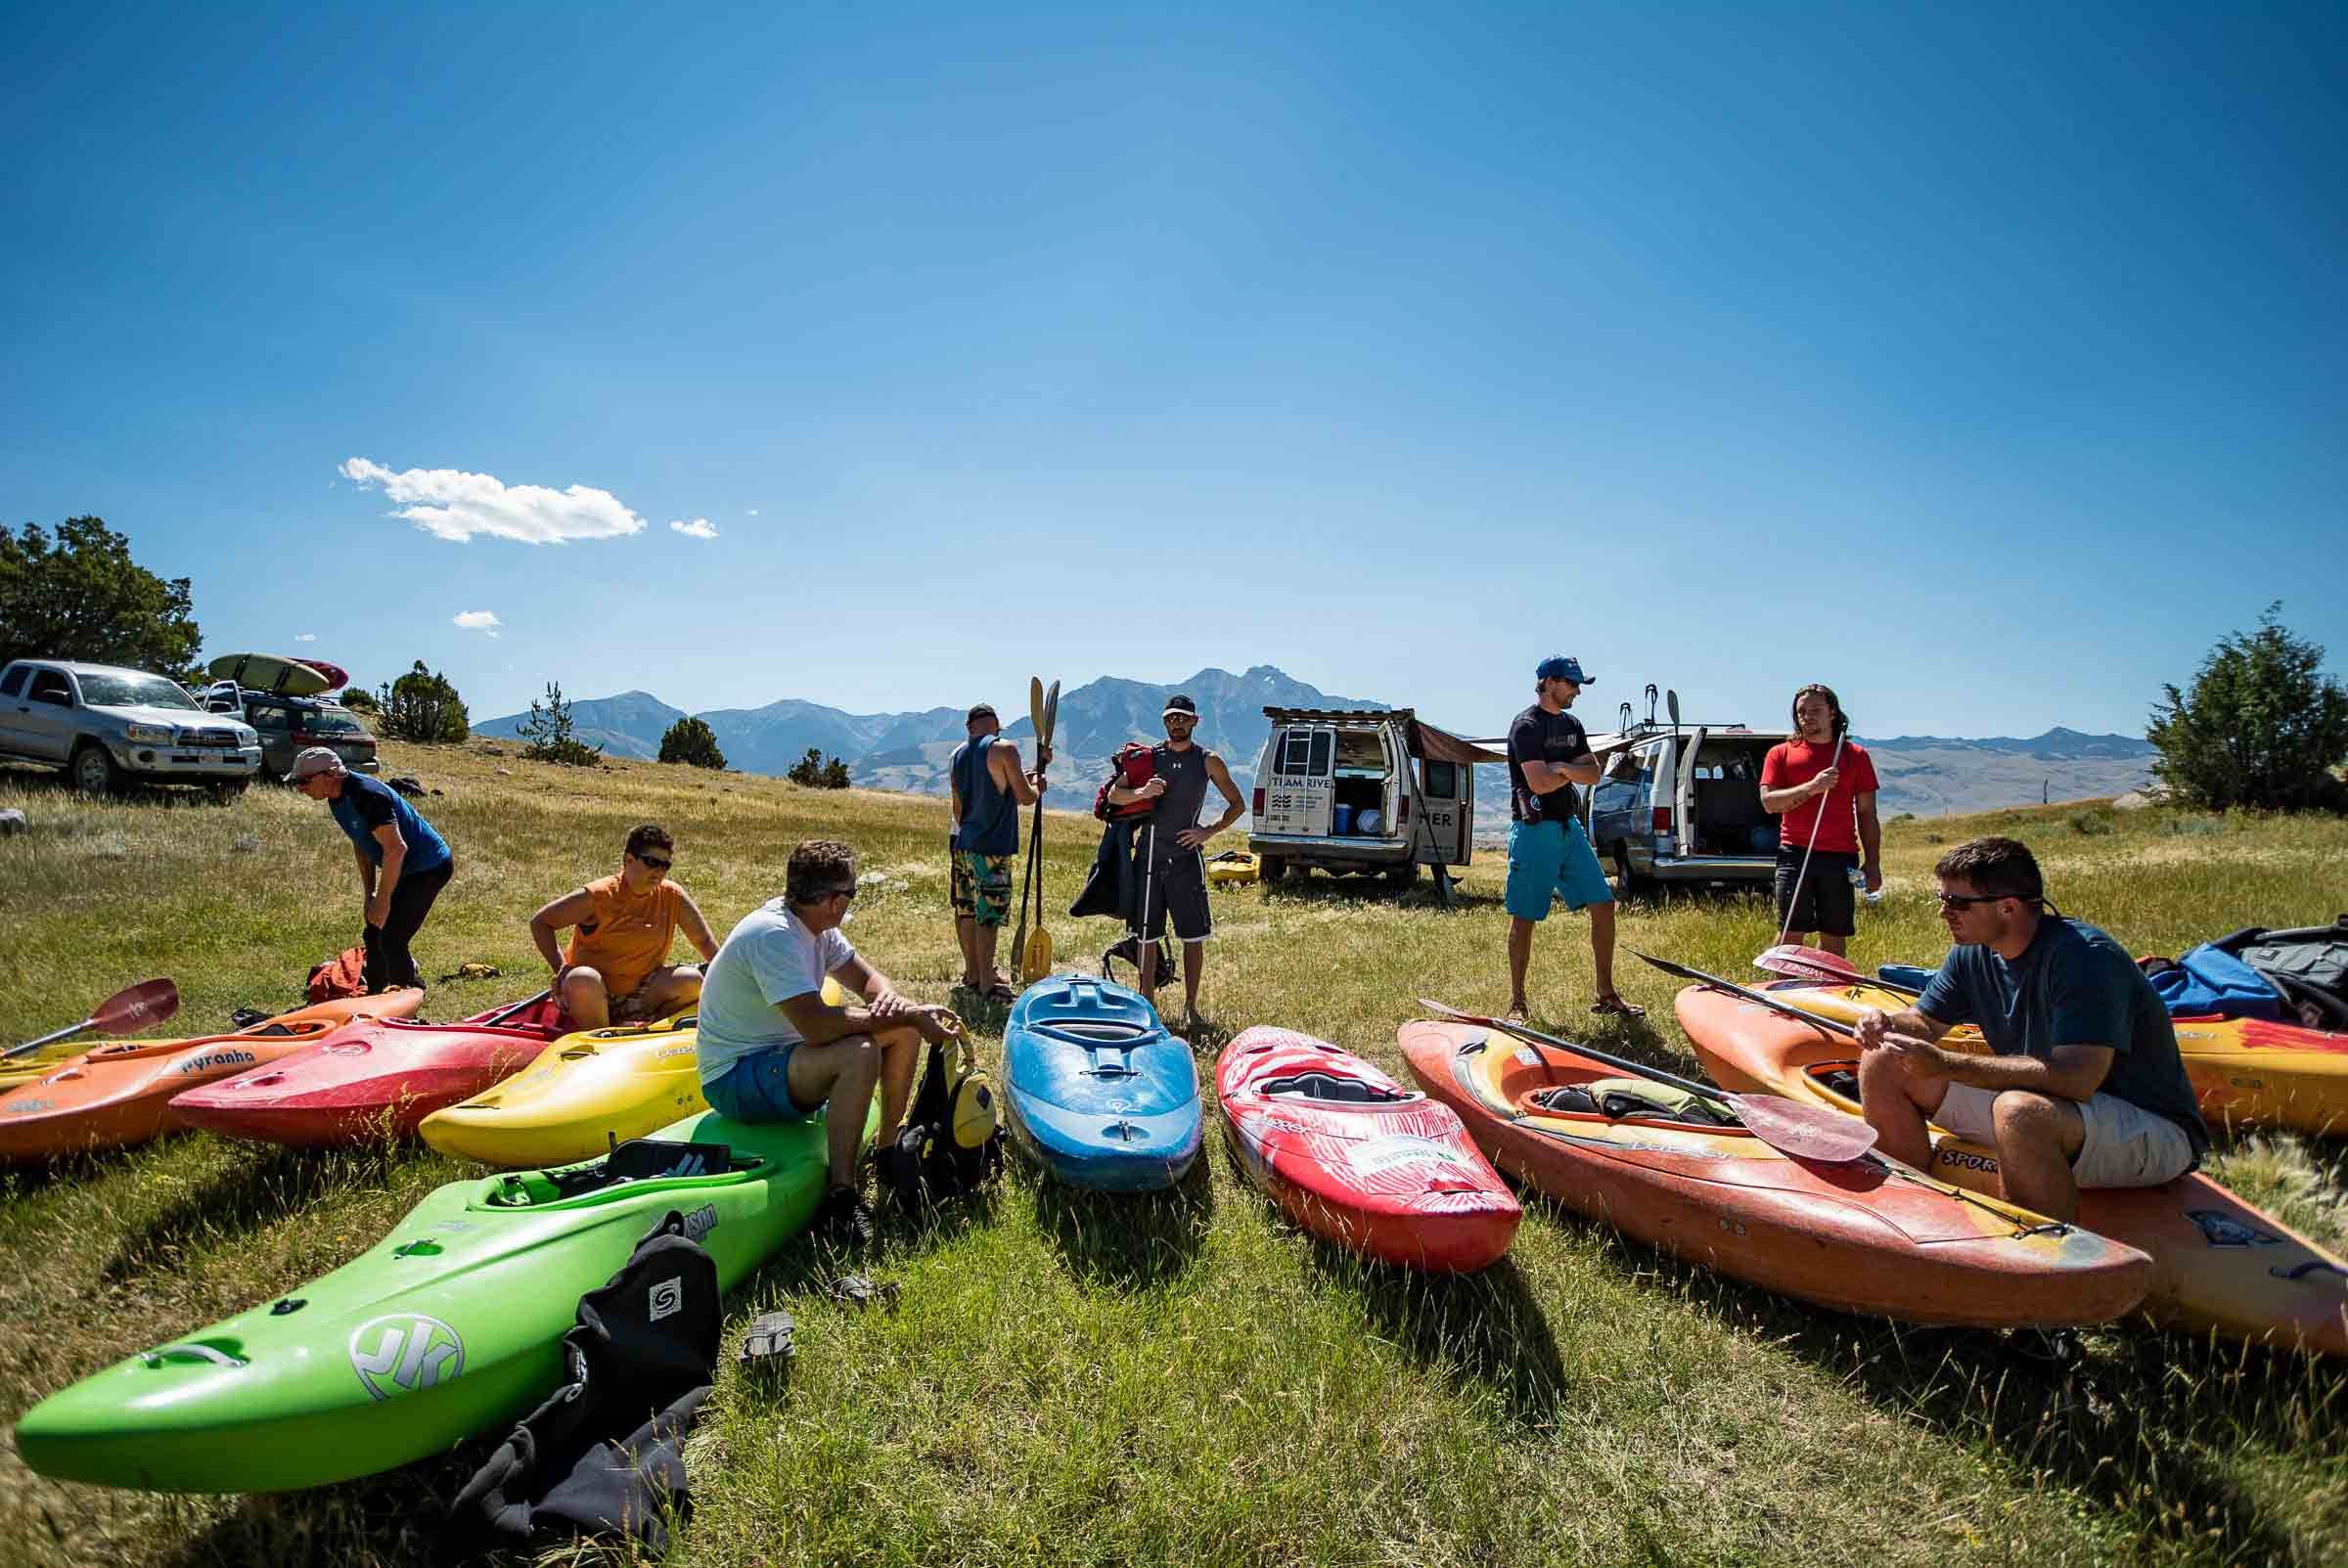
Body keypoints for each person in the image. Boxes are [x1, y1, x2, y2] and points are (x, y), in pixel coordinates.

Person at [1852, 836, 2208, 1224]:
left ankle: (2045, 1254)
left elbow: (2077, 1080)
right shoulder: (1973, 952)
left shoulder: (2084, 959)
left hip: (2152, 1127)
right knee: (1882, 1059)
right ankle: (1908, 1210)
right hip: (2055, 1111)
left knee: (2019, 1112)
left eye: (1957, 903)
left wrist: (1945, 1064)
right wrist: (1887, 1024)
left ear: (2008, 907)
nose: (1944, 913)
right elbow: (1925, 1022)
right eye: (1942, 900)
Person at [694, 839, 962, 1244]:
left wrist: (892, 1004)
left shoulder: (814, 927)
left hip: (779, 1058)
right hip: (733, 1077)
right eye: (850, 894)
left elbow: (868, 979)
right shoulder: (773, 936)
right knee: (858, 1052)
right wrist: (906, 1012)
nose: (850, 904)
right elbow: (816, 1026)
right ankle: (841, 1196)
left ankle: (888, 1152)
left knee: (902, 1031)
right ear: (834, 901)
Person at [1504, 656, 1640, 1021]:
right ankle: (1517, 1002)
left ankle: (1606, 994)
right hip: (1534, 831)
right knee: (1525, 916)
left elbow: (1593, 774)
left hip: (1568, 827)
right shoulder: (1526, 726)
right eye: (1573, 684)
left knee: (1604, 904)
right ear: (1549, 682)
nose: (1578, 691)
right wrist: (1569, 772)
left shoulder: (1572, 723)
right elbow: (1538, 783)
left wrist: (1562, 767)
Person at [1106, 694, 1245, 1032]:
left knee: (1193, 937)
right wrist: (1141, 793)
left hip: (1186, 860)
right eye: (1171, 718)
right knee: (1146, 938)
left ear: (1194, 722)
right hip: (1149, 857)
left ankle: (1191, 1009)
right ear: (1164, 722)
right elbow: (1114, 795)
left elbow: (1237, 804)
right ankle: (1148, 1007)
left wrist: (1207, 831)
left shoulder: (1208, 760)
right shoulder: (1149, 758)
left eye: (1183, 718)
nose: (1177, 723)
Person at [289, 746, 454, 994]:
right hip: (401, 867)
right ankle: (376, 995)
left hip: (429, 867)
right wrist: (370, 895)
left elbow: (396, 849)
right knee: (374, 935)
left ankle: (408, 997)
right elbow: (362, 843)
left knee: (391, 939)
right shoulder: (336, 798)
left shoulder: (366, 795)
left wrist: (383, 901)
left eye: (304, 781)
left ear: (330, 773)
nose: (300, 788)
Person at [527, 824, 719, 1028]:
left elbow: (704, 941)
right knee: (582, 979)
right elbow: (541, 922)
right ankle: (601, 1037)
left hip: (641, 993)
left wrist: (731, 978)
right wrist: (562, 969)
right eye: (652, 862)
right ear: (628, 860)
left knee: (691, 980)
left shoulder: (673, 896)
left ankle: (648, 1031)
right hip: (592, 992)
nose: (658, 871)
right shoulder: (599, 895)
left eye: (665, 865)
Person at [1757, 683, 1883, 956]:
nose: (1807, 717)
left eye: (1815, 710)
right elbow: (1769, 803)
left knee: (1834, 936)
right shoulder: (1780, 754)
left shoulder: (1855, 756)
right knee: (1790, 933)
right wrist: (1812, 787)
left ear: (1833, 713)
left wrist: (1873, 864)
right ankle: (1776, 993)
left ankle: (1826, 991)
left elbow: (1867, 814)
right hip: (1794, 854)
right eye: (1801, 712)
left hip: (1841, 856)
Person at [946, 702, 1049, 1003]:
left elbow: (959, 806)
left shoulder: (959, 755)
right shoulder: (1006, 749)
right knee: (988, 915)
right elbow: (1024, 797)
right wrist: (1038, 787)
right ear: (997, 726)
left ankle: (974, 975)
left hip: (964, 843)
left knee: (966, 910)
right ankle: (989, 984)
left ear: (970, 727)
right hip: (993, 846)